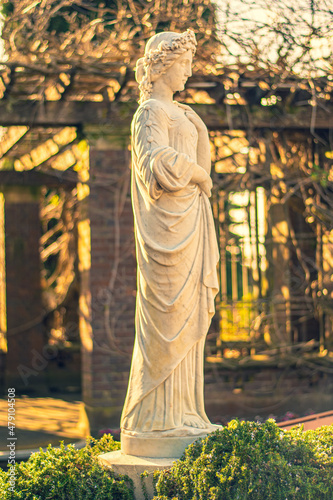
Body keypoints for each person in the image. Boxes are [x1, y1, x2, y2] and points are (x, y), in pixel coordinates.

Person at [120, 29, 220, 457]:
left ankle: (185, 413)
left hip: (192, 224)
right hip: (166, 231)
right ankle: (154, 418)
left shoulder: (184, 112)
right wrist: (197, 174)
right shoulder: (149, 112)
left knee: (190, 314)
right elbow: (153, 163)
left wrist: (198, 147)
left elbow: (200, 158)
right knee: (165, 319)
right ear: (162, 67)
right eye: (183, 64)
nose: (189, 71)